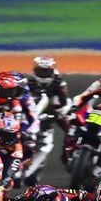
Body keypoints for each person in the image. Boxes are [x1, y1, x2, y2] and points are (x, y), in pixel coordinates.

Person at [23, 56, 69, 185]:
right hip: (29, 114)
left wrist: (56, 109)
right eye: (40, 71)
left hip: (51, 112)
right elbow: (21, 98)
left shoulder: (59, 82)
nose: (43, 75)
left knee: (70, 128)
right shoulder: (28, 82)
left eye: (46, 72)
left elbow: (63, 101)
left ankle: (69, 152)